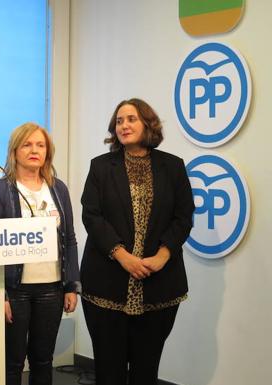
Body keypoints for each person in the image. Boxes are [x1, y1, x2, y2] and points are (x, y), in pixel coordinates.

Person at [80, 98, 194, 385]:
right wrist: (122, 255)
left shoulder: (173, 166)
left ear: (148, 124)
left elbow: (183, 216)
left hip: (159, 283)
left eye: (131, 119)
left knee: (146, 369)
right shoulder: (101, 167)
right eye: (119, 121)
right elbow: (92, 216)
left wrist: (163, 255)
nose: (124, 125)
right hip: (106, 283)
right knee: (109, 370)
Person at [0, 122, 81, 385]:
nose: (34, 150)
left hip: (51, 288)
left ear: (48, 152)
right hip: (15, 290)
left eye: (40, 145)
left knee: (43, 359)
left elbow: (69, 239)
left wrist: (71, 285)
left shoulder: (58, 189)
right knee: (12, 362)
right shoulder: (2, 190)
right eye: (27, 144)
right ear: (14, 151)